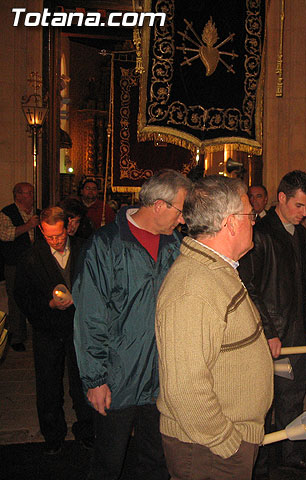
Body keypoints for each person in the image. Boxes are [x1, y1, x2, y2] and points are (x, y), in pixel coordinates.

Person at [73, 169, 191, 480]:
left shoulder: (175, 245)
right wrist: (94, 379)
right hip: (117, 377)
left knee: (156, 461)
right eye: (180, 211)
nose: (183, 220)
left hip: (162, 377)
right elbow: (89, 317)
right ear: (160, 206)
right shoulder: (105, 245)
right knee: (109, 462)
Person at [155, 176, 273, 479]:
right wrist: (226, 441)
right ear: (231, 222)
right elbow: (183, 387)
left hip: (216, 443)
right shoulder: (193, 286)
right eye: (250, 214)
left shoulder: (216, 269)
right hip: (207, 448)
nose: (255, 222)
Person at [238, 170, 306, 478]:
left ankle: (291, 453)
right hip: (268, 335)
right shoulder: (259, 233)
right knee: (262, 401)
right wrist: (267, 331)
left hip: (297, 329)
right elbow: (249, 287)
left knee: (293, 395)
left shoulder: (300, 235)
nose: (304, 213)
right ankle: (258, 464)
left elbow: (305, 285)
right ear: (282, 198)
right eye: (299, 206)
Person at [14, 206, 94, 455]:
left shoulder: (83, 249)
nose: (56, 241)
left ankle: (87, 430)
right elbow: (22, 295)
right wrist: (47, 304)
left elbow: (97, 285)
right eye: (50, 237)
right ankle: (53, 434)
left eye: (59, 235)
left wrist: (79, 298)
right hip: (47, 329)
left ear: (68, 226)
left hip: (79, 328)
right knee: (49, 384)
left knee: (82, 382)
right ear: (41, 231)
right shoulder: (32, 256)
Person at [0, 182, 40, 352]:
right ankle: (17, 336)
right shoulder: (7, 213)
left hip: (35, 263)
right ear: (18, 195)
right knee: (16, 299)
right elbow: (6, 235)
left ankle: (38, 330)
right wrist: (29, 226)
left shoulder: (38, 213)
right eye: (28, 193)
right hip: (15, 263)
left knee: (36, 297)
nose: (31, 196)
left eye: (32, 192)